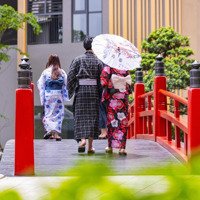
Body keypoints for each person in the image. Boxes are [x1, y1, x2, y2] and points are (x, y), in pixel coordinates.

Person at [67, 36, 103, 154]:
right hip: (93, 92)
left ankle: (82, 140)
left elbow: (71, 76)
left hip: (81, 90)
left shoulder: (78, 60)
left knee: (81, 116)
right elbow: (102, 79)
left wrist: (70, 91)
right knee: (93, 117)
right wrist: (101, 93)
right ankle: (90, 146)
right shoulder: (98, 61)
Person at [100, 65, 132, 155]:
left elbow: (103, 82)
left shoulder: (108, 67)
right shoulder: (125, 68)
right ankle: (122, 148)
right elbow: (129, 84)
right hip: (123, 97)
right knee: (123, 122)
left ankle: (110, 147)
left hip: (113, 98)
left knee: (112, 121)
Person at [37, 54, 68, 141]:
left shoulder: (45, 72)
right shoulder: (62, 72)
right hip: (58, 95)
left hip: (49, 95)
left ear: (49, 61)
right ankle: (56, 134)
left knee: (49, 114)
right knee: (58, 114)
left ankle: (50, 131)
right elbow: (66, 83)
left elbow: (40, 84)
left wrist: (42, 97)